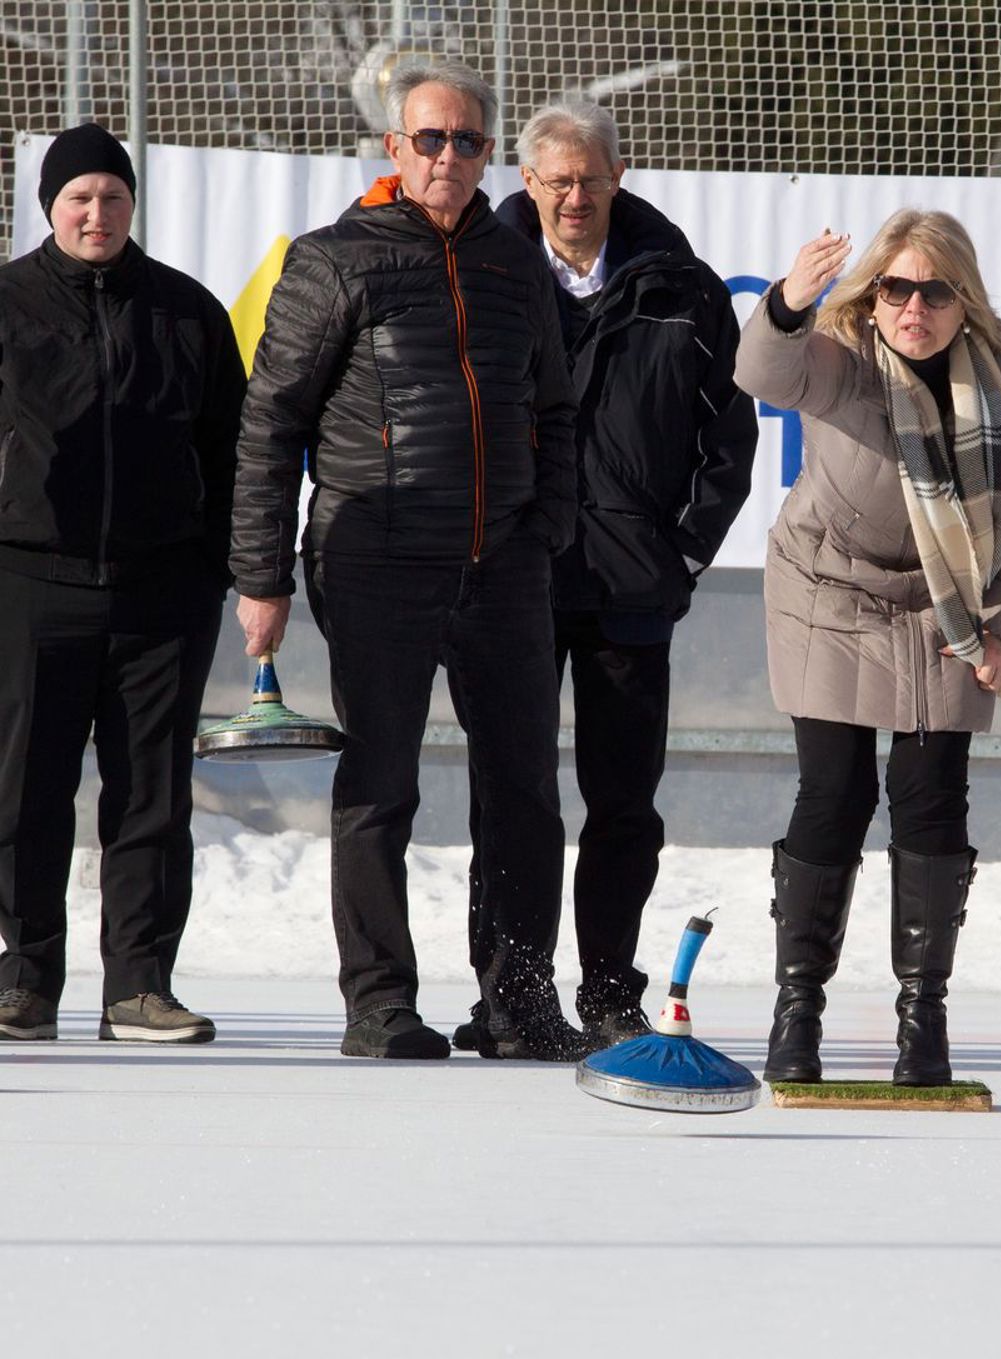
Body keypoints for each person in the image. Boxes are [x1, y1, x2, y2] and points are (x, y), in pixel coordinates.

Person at [230, 61, 581, 1061]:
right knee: (381, 787)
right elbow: (271, 424)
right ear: (394, 147)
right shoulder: (335, 259)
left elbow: (554, 410)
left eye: (467, 141)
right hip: (376, 563)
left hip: (504, 568)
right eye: (430, 138)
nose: (447, 157)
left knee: (523, 792)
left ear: (488, 154)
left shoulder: (515, 264)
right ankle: (380, 1002)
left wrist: (545, 526)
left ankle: (516, 1003)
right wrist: (261, 578)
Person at [435, 101, 762, 1053]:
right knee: (513, 797)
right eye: (557, 181)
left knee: (623, 805)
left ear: (619, 177)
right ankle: (511, 996)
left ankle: (612, 992)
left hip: (631, 590)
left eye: (590, 178)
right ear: (527, 183)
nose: (575, 197)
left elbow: (728, 438)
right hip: (512, 581)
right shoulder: (480, 275)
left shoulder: (684, 286)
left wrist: (681, 553)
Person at [735, 210, 1001, 1086]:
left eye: (933, 291)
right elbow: (761, 372)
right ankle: (797, 1008)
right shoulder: (842, 357)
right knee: (836, 791)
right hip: (829, 588)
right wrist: (787, 303)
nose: (912, 307)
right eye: (895, 288)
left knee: (931, 796)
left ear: (964, 301)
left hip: (944, 602)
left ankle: (924, 1016)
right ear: (873, 294)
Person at [0, 124, 245, 1045]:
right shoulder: (8, 303)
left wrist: (216, 566)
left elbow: (231, 448)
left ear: (133, 205)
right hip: (29, 580)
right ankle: (23, 982)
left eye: (112, 196)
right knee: (24, 790)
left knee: (152, 797)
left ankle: (139, 987)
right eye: (79, 198)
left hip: (162, 593)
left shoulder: (186, 310)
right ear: (50, 207)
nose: (96, 213)